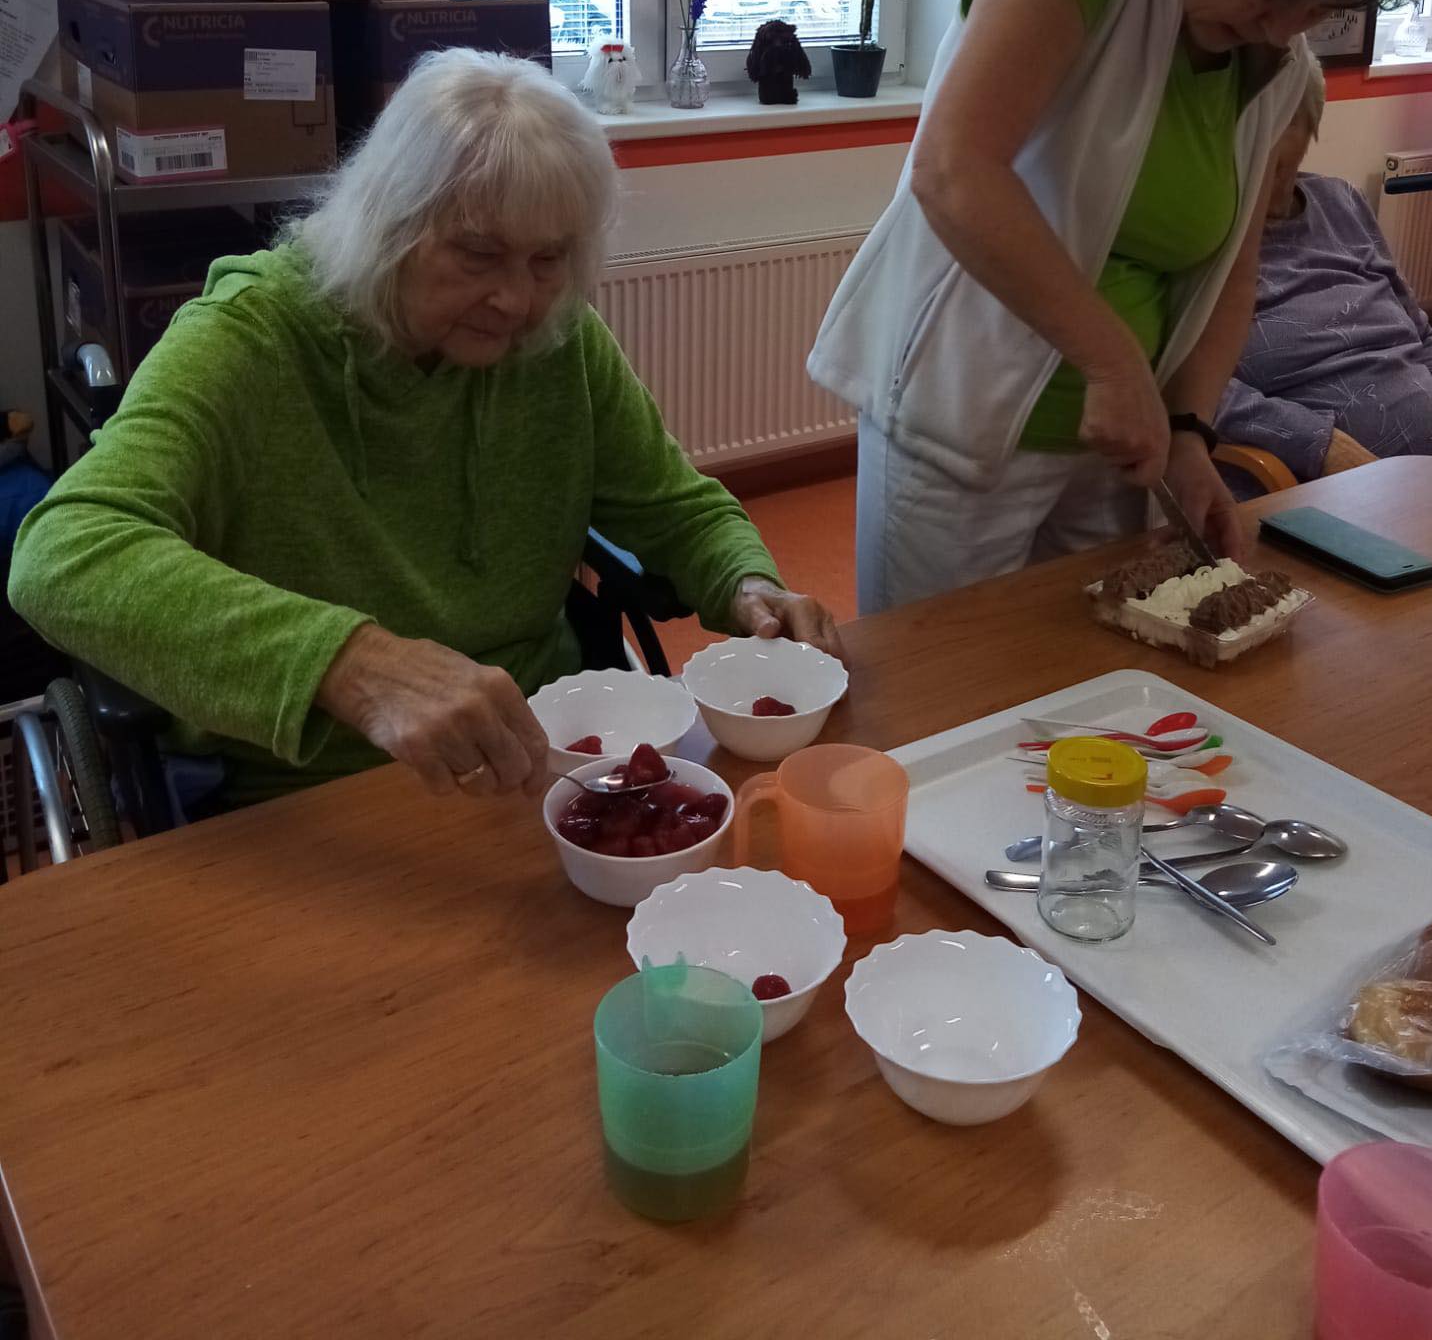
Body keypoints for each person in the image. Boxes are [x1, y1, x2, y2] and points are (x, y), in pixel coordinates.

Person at [9, 51, 842, 807]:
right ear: (390, 224)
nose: (517, 300)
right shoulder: (249, 339)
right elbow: (62, 554)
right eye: (477, 254)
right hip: (318, 791)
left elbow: (671, 506)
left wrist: (746, 583)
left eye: (548, 260)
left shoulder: (558, 337)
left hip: (546, 755)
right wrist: (351, 663)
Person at [809, 0, 1432, 613]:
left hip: (1122, 445)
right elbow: (954, 170)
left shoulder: (1278, 72)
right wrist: (1111, 362)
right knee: (937, 677)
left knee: (1089, 671)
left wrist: (1189, 432)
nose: (1281, 26)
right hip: (963, 416)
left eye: (1320, 8)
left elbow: (1231, 273)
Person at [1215, 46, 1432, 482]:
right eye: (1243, 124)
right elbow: (1189, 388)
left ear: (1311, 125)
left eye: (1282, 122)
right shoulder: (1195, 238)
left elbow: (1419, 331)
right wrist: (1321, 444)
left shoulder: (1340, 200)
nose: (1261, 144)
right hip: (1314, 490)